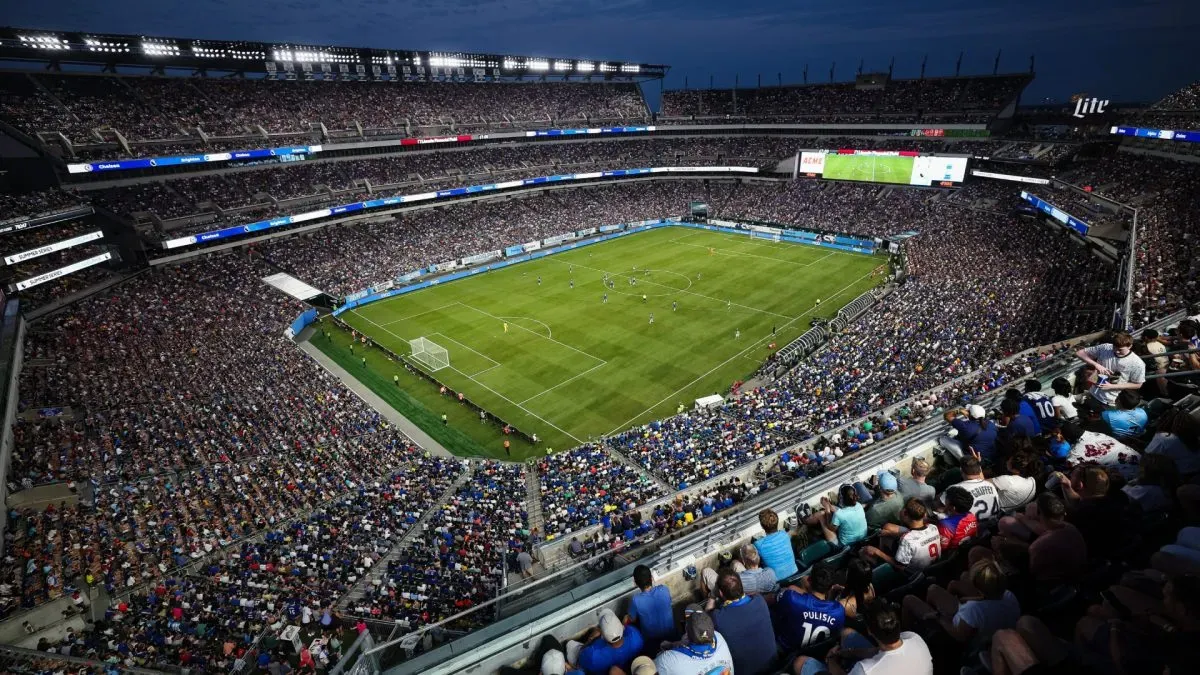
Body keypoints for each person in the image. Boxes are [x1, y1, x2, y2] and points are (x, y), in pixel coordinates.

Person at [902, 558, 1019, 648]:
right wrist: (972, 599)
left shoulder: (973, 609)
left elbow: (960, 636)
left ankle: (909, 637)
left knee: (909, 599)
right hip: (990, 623)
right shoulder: (1009, 595)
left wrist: (939, 618)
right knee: (949, 584)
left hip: (955, 631)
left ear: (979, 588)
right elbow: (989, 599)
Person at [819, 599, 933, 675]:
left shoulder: (865, 670)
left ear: (870, 631)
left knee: (802, 662)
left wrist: (831, 660)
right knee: (847, 633)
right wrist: (849, 652)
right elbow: (879, 650)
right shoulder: (915, 638)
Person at [710, 569, 776, 675]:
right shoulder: (759, 600)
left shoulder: (718, 618)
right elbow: (752, 595)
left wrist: (712, 596)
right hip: (774, 667)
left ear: (721, 593)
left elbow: (705, 618)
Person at [775, 564, 847, 652]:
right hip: (816, 653)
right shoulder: (838, 611)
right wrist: (831, 594)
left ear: (809, 580)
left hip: (785, 648)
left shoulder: (792, 598)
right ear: (831, 587)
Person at [864, 498, 941, 573]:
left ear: (905, 514)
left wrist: (876, 551)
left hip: (911, 575)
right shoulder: (933, 527)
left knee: (864, 552)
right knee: (887, 531)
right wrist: (889, 533)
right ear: (924, 515)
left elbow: (899, 566)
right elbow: (917, 536)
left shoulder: (907, 539)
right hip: (931, 568)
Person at [1075, 332, 1147, 410]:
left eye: (1120, 350)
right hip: (1093, 393)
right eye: (1114, 348)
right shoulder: (1106, 347)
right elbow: (1079, 353)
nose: (1116, 351)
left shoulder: (1137, 363)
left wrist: (1112, 386)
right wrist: (1096, 365)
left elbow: (1138, 384)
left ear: (1130, 346)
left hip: (1111, 401)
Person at [653, 608, 734, 675]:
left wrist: (669, 648)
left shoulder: (668, 661)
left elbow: (648, 668)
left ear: (686, 633)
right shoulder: (719, 638)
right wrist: (674, 645)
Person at [1059, 421, 1142, 480]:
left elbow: (1071, 477)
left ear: (1068, 438)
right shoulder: (1098, 434)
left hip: (1129, 479)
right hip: (1142, 463)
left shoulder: (1074, 454)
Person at [573, 609, 644, 675]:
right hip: (627, 667)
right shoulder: (635, 636)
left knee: (570, 645)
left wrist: (591, 639)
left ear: (603, 636)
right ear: (621, 627)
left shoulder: (592, 655)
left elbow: (580, 656)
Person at [625, 565, 675, 645]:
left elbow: (632, 619)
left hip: (652, 642)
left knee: (627, 618)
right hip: (672, 636)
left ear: (635, 583)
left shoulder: (636, 600)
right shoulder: (664, 589)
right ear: (652, 578)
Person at [946, 454, 1001, 524]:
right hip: (994, 524)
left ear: (961, 470)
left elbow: (941, 507)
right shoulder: (990, 485)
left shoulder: (955, 489)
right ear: (980, 469)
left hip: (971, 529)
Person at [754, 508, 798, 579]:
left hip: (777, 581)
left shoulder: (758, 545)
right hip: (795, 574)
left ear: (762, 526)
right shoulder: (785, 535)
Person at [935, 486, 978, 552]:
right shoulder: (972, 516)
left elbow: (942, 548)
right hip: (968, 549)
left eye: (946, 499)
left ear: (953, 507)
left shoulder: (945, 525)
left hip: (952, 555)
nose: (945, 501)